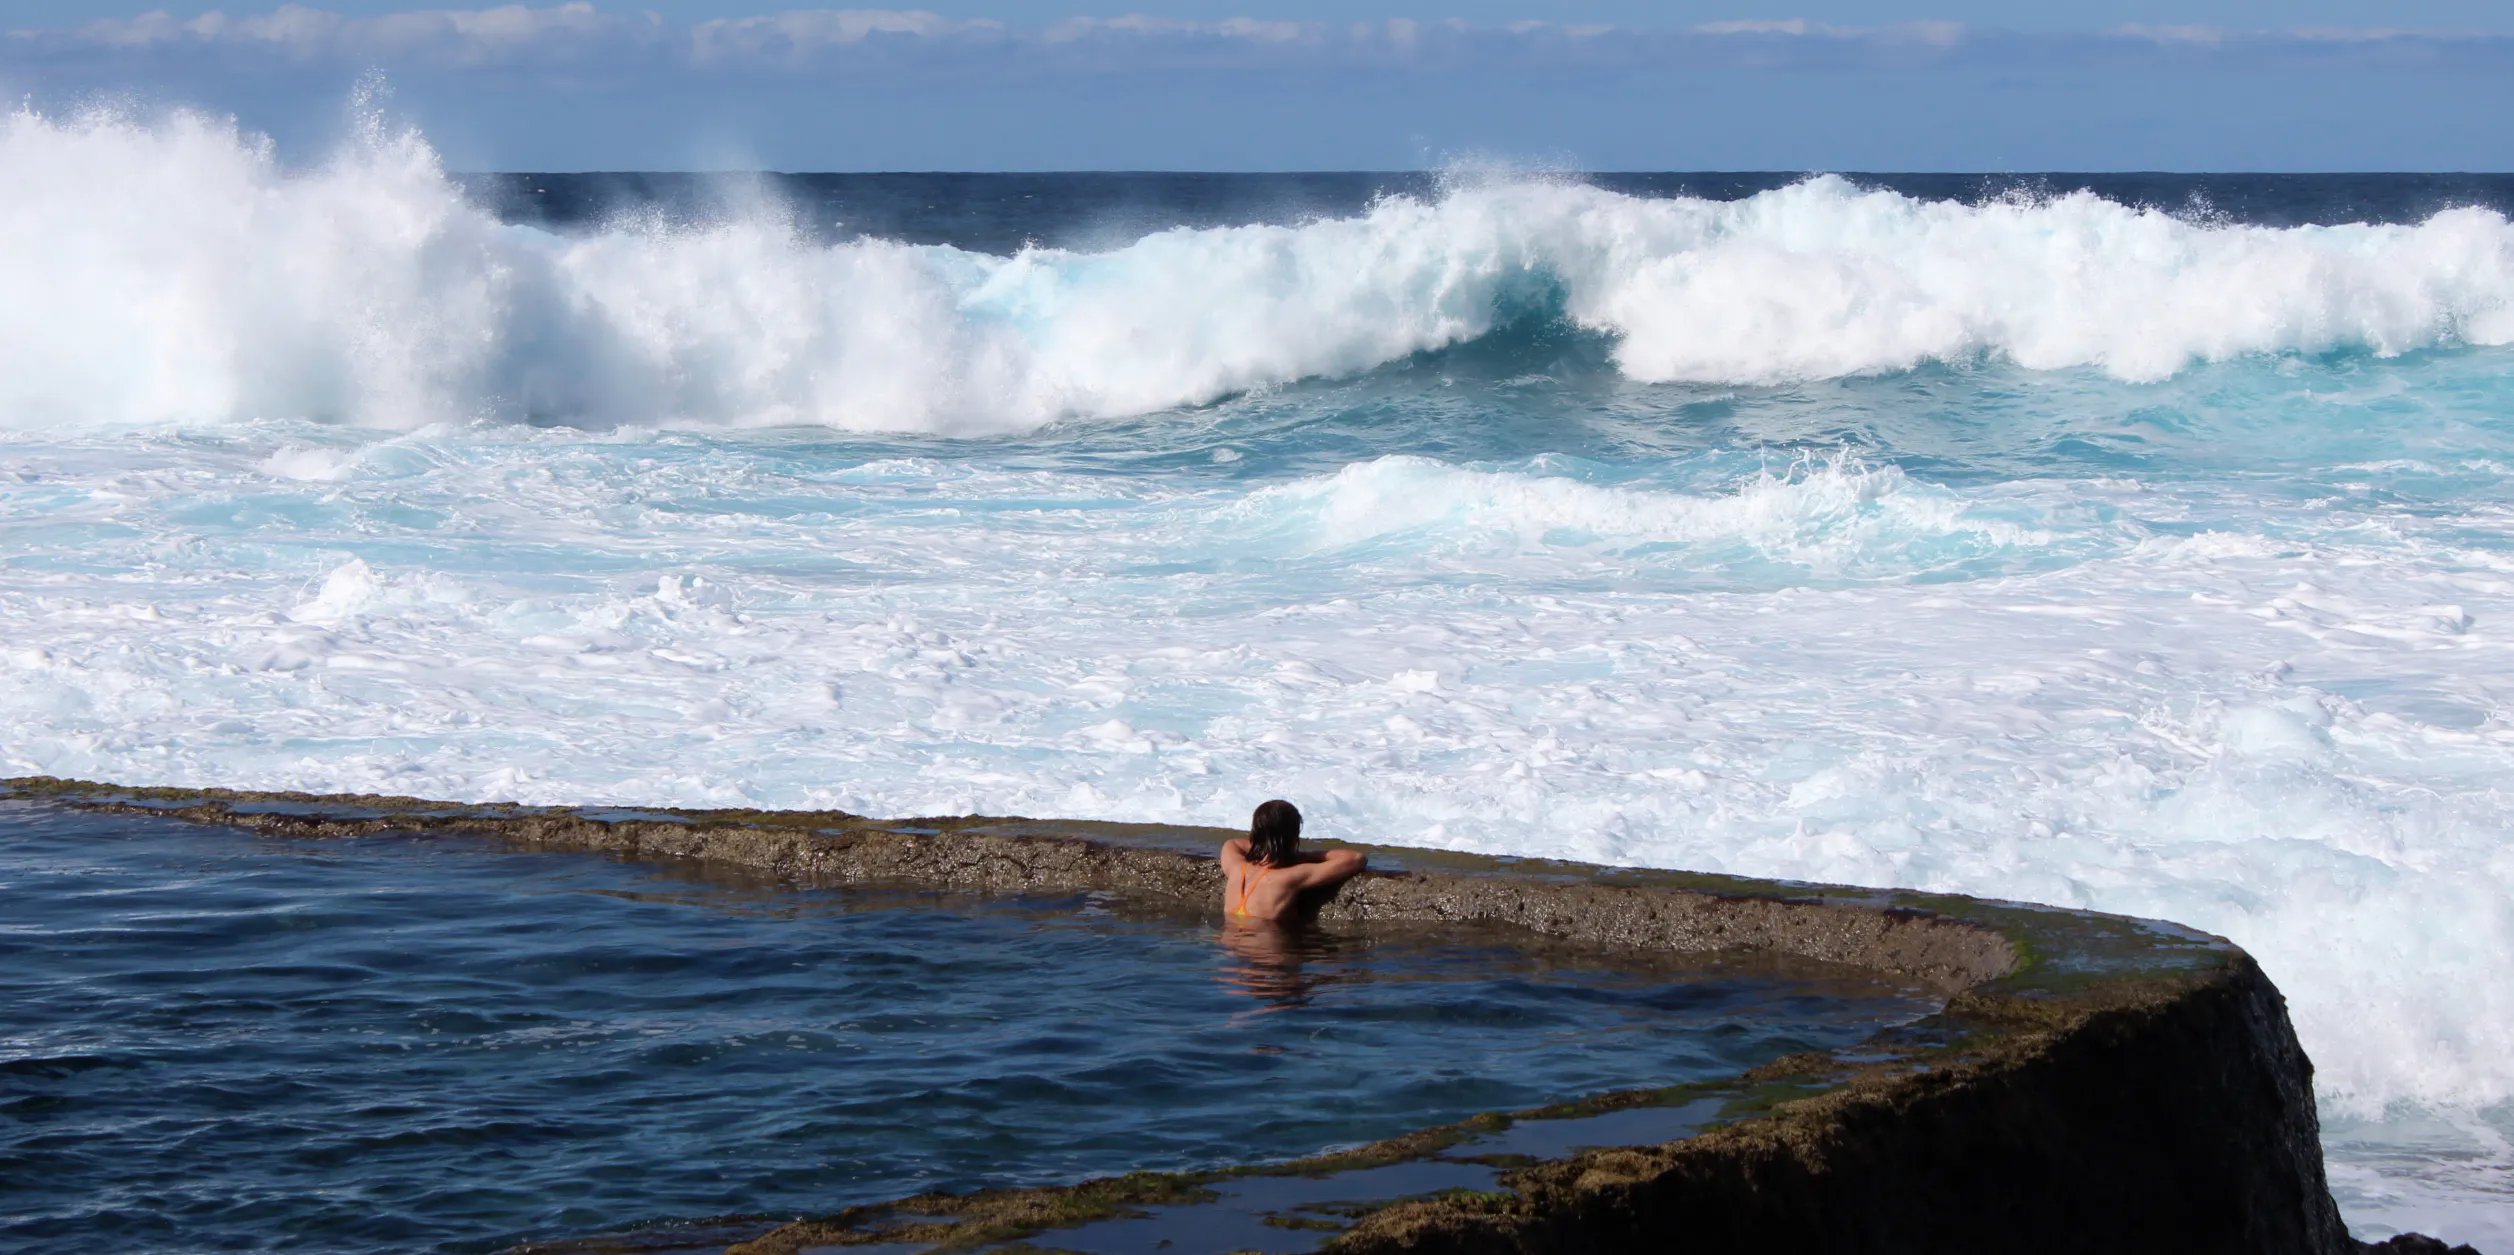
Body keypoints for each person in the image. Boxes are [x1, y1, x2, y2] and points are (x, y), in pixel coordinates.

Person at [1219, 799, 1366, 923]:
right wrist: (1300, 855)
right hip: (1271, 953)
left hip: (1231, 949)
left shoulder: (1236, 869)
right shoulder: (1289, 877)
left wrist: (1264, 847)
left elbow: (1233, 843)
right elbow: (1355, 858)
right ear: (1293, 838)